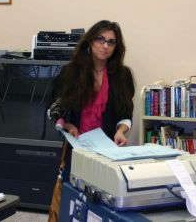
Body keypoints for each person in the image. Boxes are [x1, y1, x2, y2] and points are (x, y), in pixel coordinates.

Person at [52, 19, 135, 180]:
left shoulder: (122, 75)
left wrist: (121, 131)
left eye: (111, 42)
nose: (105, 46)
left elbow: (126, 111)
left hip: (108, 150)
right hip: (77, 148)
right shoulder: (71, 72)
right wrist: (68, 125)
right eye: (100, 39)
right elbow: (54, 107)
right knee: (74, 198)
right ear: (90, 41)